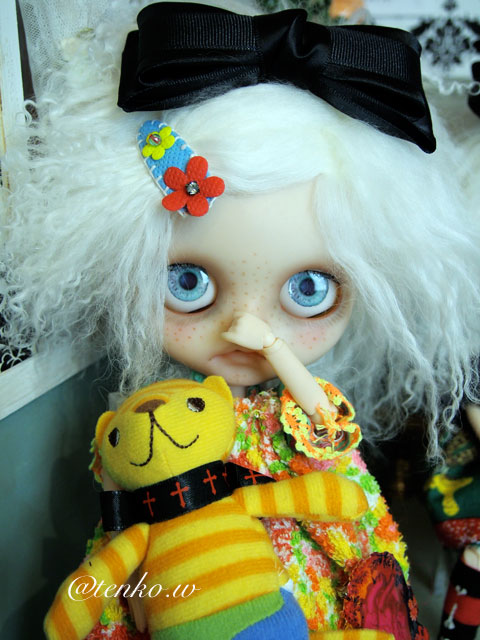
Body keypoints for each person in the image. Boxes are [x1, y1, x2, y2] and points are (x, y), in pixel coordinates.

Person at [2, 1, 480, 637]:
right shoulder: (153, 423)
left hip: (304, 569)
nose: (239, 327)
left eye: (309, 289)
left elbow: (332, 435)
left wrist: (277, 348)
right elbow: (123, 522)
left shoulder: (294, 415)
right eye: (187, 282)